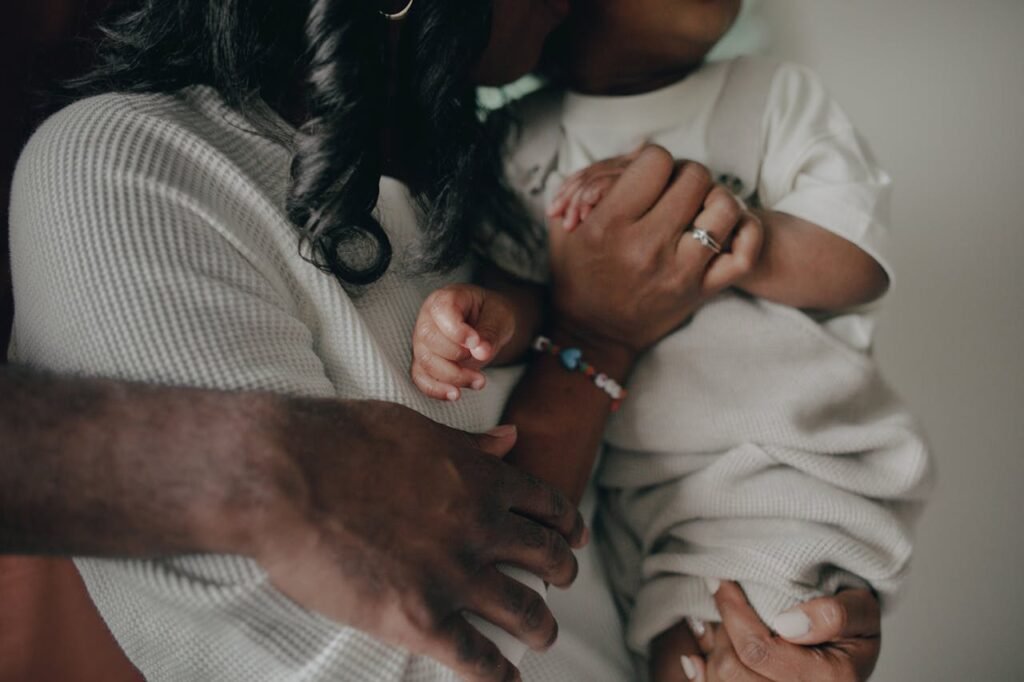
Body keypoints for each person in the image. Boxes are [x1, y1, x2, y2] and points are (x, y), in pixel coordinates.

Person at [6, 0, 886, 680]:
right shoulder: (126, 169)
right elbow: (381, 666)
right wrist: (591, 344)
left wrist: (757, 618)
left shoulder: (490, 193)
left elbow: (651, 528)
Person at [409, 0, 932, 680]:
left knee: (759, 635)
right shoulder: (523, 136)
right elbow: (530, 296)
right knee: (677, 648)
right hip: (643, 489)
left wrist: (745, 235)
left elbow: (857, 264)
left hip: (790, 454)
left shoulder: (771, 95)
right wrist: (481, 321)